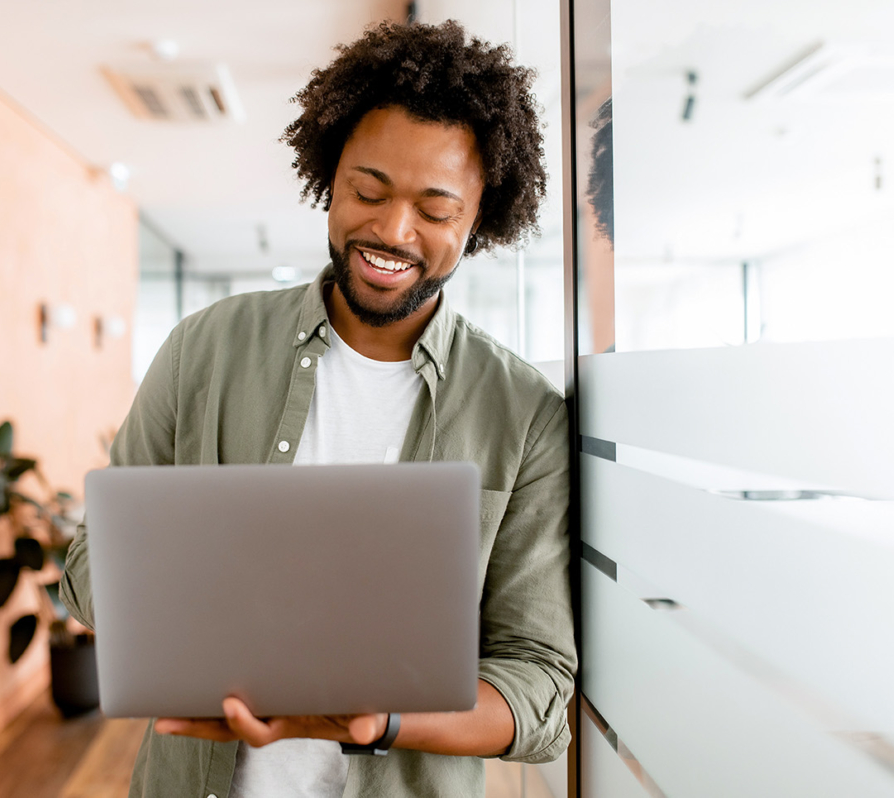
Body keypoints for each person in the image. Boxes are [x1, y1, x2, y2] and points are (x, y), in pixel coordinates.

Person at [60, 19, 575, 798]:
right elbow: (87, 563)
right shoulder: (205, 348)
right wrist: (193, 632)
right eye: (367, 191)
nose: (392, 231)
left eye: (435, 212)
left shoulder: (523, 413)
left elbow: (538, 688)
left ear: (479, 220)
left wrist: (381, 721)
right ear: (328, 176)